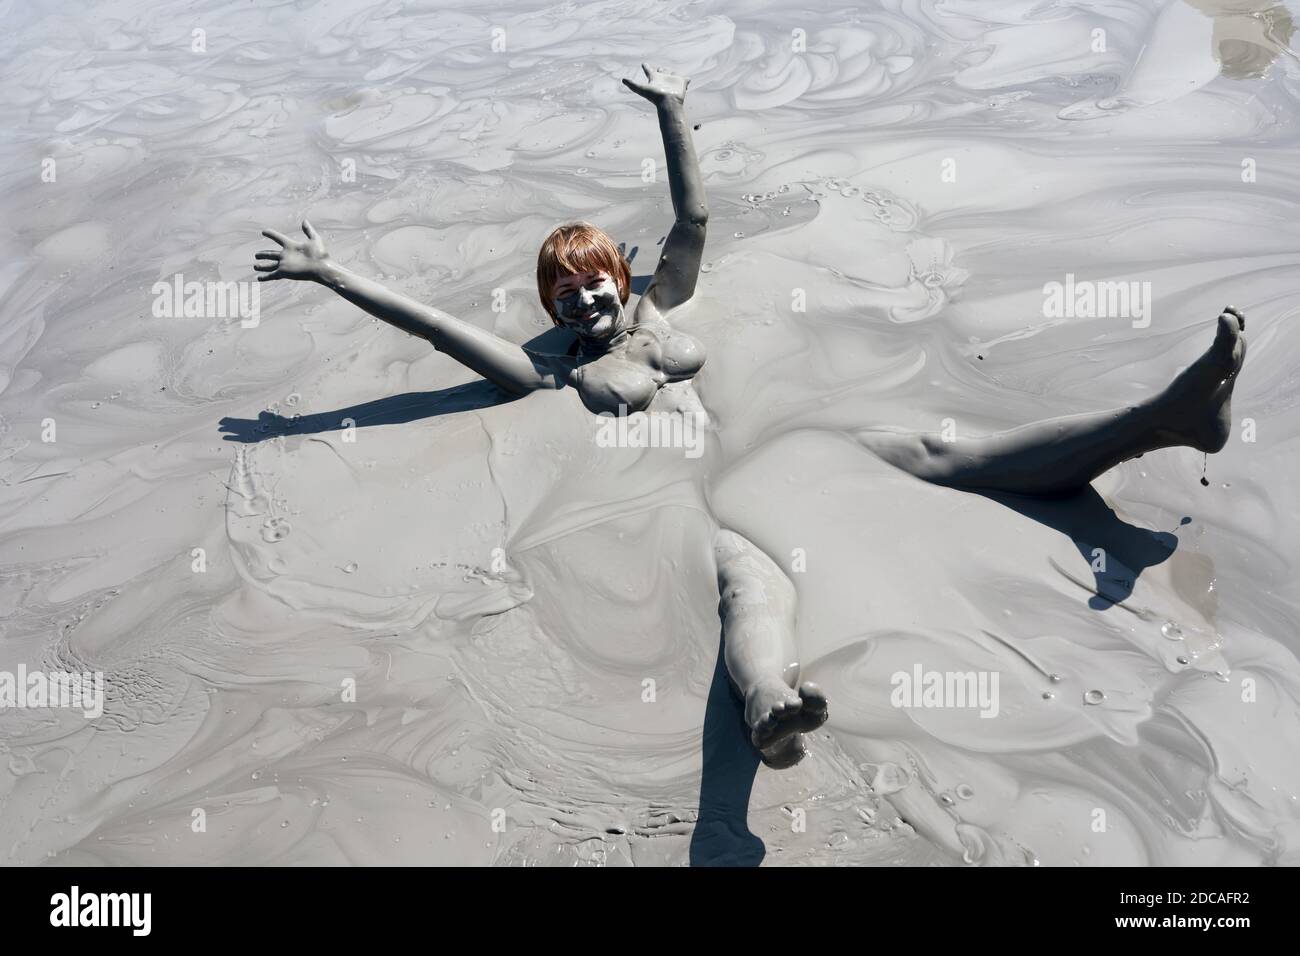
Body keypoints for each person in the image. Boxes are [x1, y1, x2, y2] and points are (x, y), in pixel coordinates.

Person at [253, 64, 1247, 769]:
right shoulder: (543, 371)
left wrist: (673, 109)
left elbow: (692, 220)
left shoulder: (662, 304)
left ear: (617, 275)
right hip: (690, 506)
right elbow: (435, 337)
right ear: (550, 307)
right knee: (747, 580)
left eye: (595, 282)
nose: (587, 303)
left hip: (788, 455)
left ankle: (1166, 416)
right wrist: (333, 272)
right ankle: (772, 698)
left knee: (947, 451)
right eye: (566, 296)